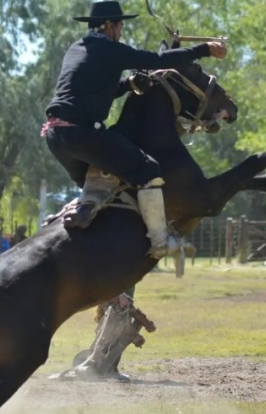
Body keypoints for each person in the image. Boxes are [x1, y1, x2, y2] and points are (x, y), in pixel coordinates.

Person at [42, 1, 228, 259]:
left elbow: (92, 92)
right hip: (81, 135)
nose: (121, 32)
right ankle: (161, 242)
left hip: (55, 137)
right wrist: (204, 49)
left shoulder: (78, 48)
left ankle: (85, 212)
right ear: (110, 26)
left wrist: (128, 84)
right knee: (148, 170)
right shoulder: (110, 48)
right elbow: (156, 60)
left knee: (101, 189)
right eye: (119, 26)